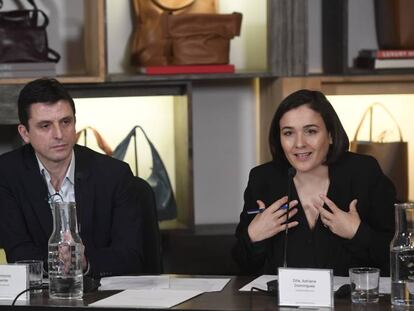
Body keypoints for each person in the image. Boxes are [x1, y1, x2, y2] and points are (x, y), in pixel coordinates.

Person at [232, 89, 396, 276]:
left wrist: (357, 233)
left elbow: (399, 257)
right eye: (288, 133)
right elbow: (242, 267)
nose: (299, 143)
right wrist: (253, 236)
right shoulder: (263, 179)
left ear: (331, 135)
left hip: (352, 303)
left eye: (310, 131)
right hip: (280, 303)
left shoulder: (364, 173)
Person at [0, 78, 144, 278]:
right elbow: (18, 251)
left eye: (66, 122)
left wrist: (83, 262)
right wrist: (58, 263)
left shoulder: (114, 175)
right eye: (45, 126)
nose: (59, 134)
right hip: (39, 297)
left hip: (102, 295)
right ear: (25, 133)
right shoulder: (6, 174)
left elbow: (131, 255)